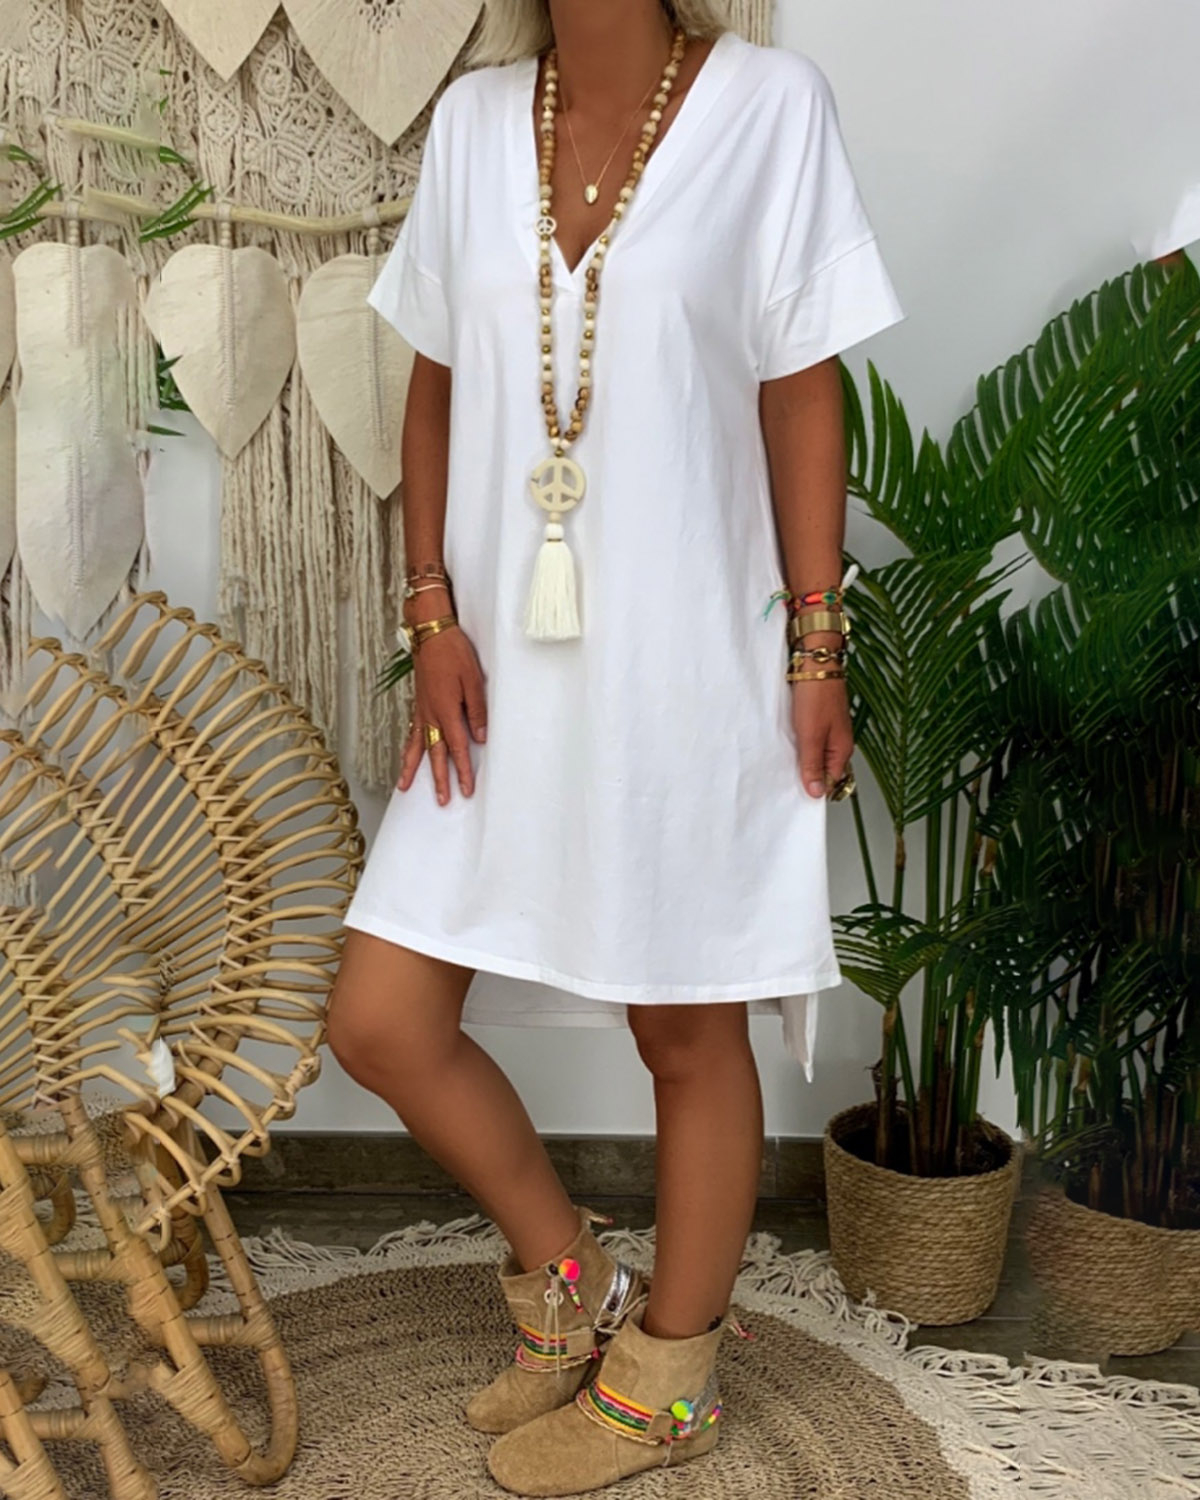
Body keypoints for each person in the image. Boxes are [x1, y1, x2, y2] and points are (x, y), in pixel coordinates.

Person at [327, 1, 904, 1492]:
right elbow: (437, 381)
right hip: (500, 667)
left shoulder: (770, 109)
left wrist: (818, 644)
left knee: (684, 1027)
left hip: (685, 661)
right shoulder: (475, 127)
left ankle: (671, 1381)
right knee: (381, 1015)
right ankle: (570, 1281)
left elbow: (801, 386)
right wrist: (429, 608)